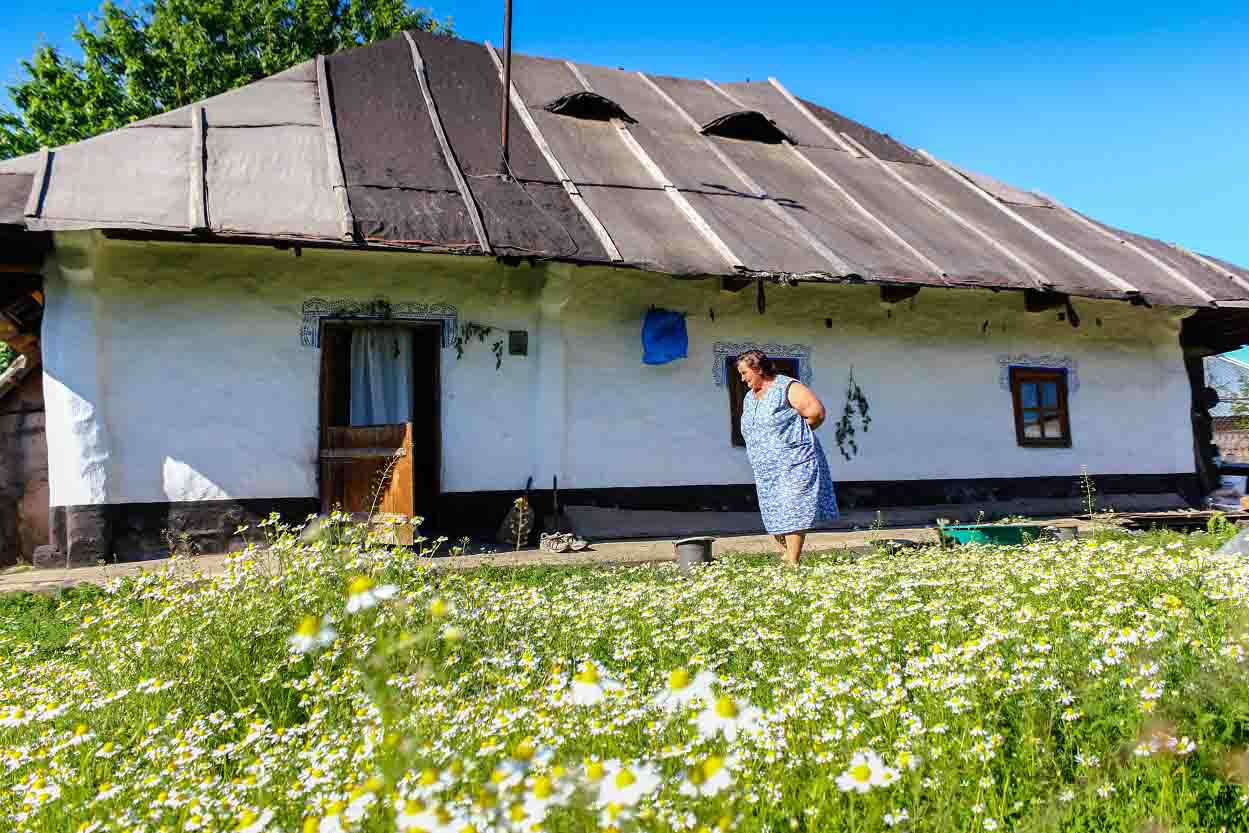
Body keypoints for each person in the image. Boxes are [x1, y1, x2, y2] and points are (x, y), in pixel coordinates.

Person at [736, 350, 839, 565]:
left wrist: (792, 437)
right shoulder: (750, 396)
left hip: (793, 460)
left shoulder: (787, 387)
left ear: (759, 368)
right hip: (765, 466)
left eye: (745, 372)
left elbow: (816, 413)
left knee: (792, 506)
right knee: (773, 507)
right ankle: (786, 554)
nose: (742, 378)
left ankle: (793, 560)